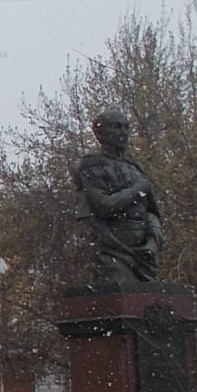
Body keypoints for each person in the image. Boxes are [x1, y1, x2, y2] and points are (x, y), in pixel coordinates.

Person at [73, 109, 163, 284]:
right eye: (116, 127)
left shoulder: (134, 167)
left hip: (143, 251)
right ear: (100, 132)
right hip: (113, 247)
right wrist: (137, 189)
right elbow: (104, 206)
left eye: (126, 127)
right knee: (120, 288)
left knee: (147, 294)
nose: (123, 132)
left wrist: (153, 240)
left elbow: (151, 212)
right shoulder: (92, 165)